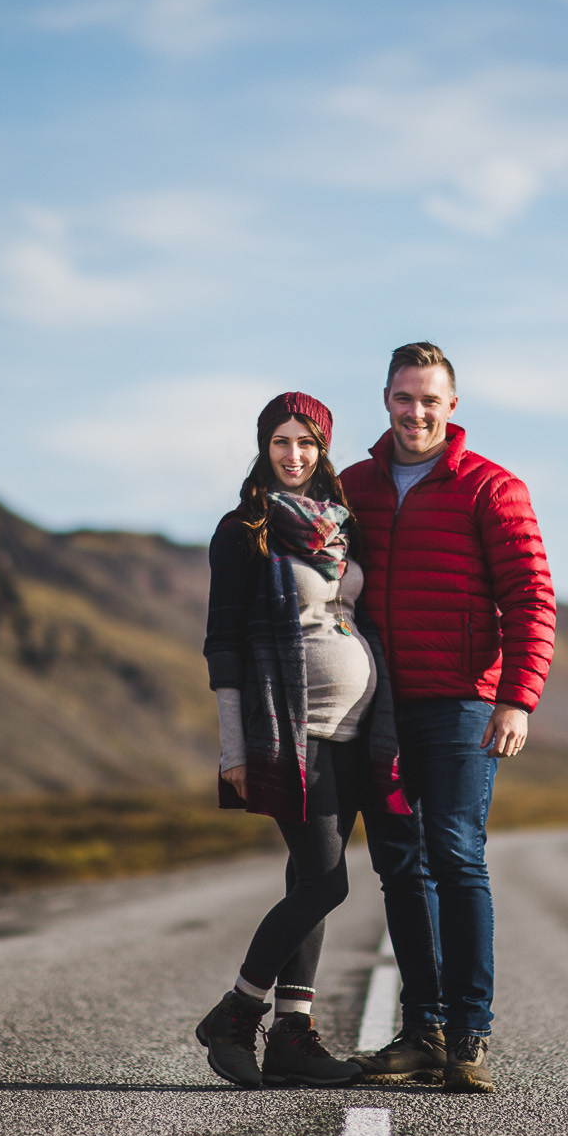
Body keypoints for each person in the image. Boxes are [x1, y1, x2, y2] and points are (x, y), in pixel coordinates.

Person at [339, 343, 556, 1094]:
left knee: (457, 857)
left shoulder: (491, 488)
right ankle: (422, 1030)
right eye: (404, 397)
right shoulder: (355, 486)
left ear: (452, 405)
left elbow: (530, 596)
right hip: (381, 708)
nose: (416, 411)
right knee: (400, 865)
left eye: (430, 399)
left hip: (464, 705)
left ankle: (469, 1036)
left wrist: (517, 696)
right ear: (387, 400)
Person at [194, 391, 406, 1089]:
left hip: (350, 730)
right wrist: (232, 752)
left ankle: (292, 1034)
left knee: (306, 879)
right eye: (281, 441)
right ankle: (236, 1013)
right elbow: (223, 646)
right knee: (326, 881)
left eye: (306, 442)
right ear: (265, 447)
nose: (293, 454)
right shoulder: (245, 530)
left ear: (323, 448)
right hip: (289, 727)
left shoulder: (339, 527)